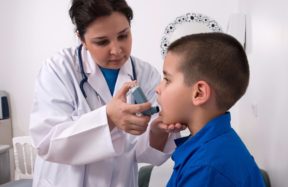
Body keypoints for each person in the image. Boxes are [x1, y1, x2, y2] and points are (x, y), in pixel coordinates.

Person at [29, 0, 182, 186]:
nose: (117, 50)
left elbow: (145, 154)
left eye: (123, 36)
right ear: (81, 39)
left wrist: (157, 131)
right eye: (102, 42)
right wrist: (108, 117)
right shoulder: (59, 69)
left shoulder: (145, 74)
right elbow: (47, 143)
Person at [156, 32, 266, 187]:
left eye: (167, 80)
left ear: (199, 93)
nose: (158, 89)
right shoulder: (215, 146)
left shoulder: (205, 169)